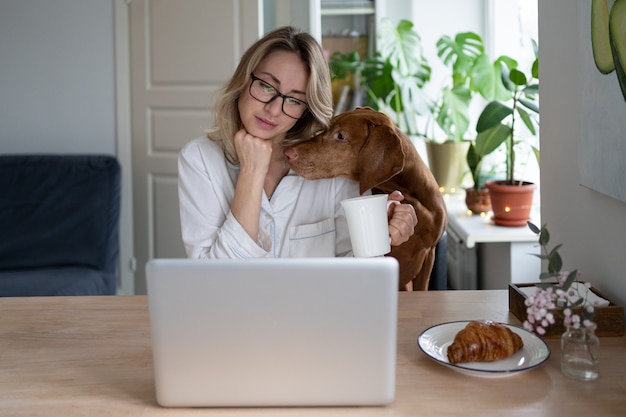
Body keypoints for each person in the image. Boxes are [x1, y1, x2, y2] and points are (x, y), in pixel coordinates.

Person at [178, 26, 417, 260]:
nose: (272, 109)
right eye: (266, 86)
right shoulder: (200, 159)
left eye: (293, 100)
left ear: (306, 109)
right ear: (243, 81)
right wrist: (251, 172)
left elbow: (361, 273)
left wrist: (381, 232)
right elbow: (216, 281)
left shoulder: (333, 166)